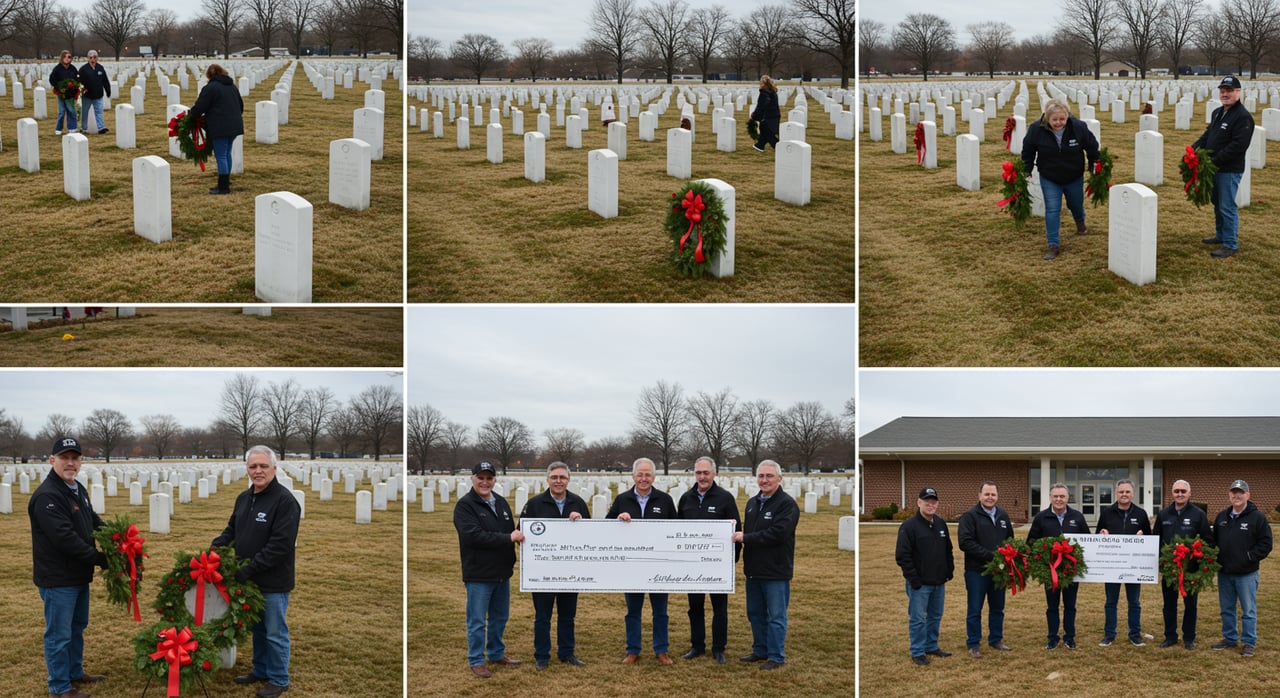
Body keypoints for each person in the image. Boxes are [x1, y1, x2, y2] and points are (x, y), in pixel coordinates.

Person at [211, 446, 300, 698]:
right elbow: (232, 529)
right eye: (253, 466)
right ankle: (260, 670)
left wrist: (249, 568)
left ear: (274, 468)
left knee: (275, 631)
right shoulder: (243, 498)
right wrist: (217, 546)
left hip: (272, 580)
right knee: (258, 630)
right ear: (247, 469)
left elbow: (280, 546)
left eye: (263, 466)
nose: (258, 471)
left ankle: (279, 679)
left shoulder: (285, 502)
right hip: (248, 579)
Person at [29, 437, 108, 698]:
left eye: (75, 458)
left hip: (77, 575)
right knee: (58, 635)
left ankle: (75, 672)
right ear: (52, 461)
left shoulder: (76, 488)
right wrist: (98, 558)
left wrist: (116, 537)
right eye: (65, 458)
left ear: (81, 462)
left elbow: (91, 519)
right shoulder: (48, 496)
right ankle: (60, 687)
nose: (70, 463)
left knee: (76, 627)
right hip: (58, 578)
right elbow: (64, 539)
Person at [453, 461, 524, 678]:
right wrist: (508, 538)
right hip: (479, 574)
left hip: (502, 572)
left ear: (495, 480)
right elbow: (472, 536)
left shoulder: (501, 502)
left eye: (489, 478)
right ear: (472, 478)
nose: (485, 482)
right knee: (476, 621)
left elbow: (511, 530)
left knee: (499, 617)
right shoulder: (465, 505)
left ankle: (496, 653)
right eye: (480, 478)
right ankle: (476, 660)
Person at [518, 462, 590, 671]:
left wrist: (581, 521)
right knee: (543, 616)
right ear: (547, 479)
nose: (558, 481)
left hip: (570, 570)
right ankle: (542, 655)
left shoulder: (578, 502)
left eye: (563, 478)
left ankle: (567, 652)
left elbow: (591, 535)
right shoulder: (534, 504)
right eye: (554, 477)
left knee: (567, 615)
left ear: (569, 480)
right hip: (543, 572)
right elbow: (520, 532)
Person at [607, 457, 677, 665]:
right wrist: (619, 520)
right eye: (640, 474)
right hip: (632, 566)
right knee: (633, 611)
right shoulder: (622, 499)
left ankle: (661, 650)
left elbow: (676, 529)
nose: (643, 478)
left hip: (658, 565)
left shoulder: (665, 500)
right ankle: (633, 650)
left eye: (647, 474)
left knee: (660, 612)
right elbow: (606, 527)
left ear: (654, 477)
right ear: (633, 476)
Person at [734, 460, 799, 670]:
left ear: (779, 478)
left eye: (769, 476)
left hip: (776, 571)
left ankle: (776, 656)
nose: (764, 480)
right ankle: (760, 650)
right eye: (761, 476)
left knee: (776, 616)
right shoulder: (752, 503)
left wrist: (746, 538)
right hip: (753, 569)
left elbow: (778, 534)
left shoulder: (787, 505)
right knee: (755, 614)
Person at [676, 456, 741, 664]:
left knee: (719, 608)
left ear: (714, 474)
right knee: (695, 606)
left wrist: (731, 562)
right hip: (692, 565)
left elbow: (736, 529)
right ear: (694, 474)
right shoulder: (686, 499)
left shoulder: (725, 498)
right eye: (698, 473)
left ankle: (719, 648)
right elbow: (676, 531)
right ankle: (697, 645)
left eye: (706, 473)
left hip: (717, 565)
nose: (702, 477)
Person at [1020, 98, 1100, 260]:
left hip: (1073, 175)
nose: (1058, 123)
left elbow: (1092, 146)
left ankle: (1080, 222)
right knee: (1052, 209)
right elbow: (1028, 150)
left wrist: (1094, 165)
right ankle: (1053, 244)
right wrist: (1026, 168)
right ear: (1047, 118)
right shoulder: (1036, 129)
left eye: (1062, 119)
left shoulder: (1078, 127)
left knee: (1076, 204)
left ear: (1067, 116)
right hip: (1050, 176)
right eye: (1054, 119)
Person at [1192, 75, 1255, 258]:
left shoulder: (1243, 117)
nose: (1225, 94)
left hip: (1228, 169)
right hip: (1213, 168)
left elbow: (1238, 146)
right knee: (1217, 203)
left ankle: (1230, 244)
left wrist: (1214, 161)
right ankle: (1220, 235)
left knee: (1227, 206)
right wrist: (1194, 148)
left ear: (1238, 92)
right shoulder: (1218, 112)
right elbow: (1208, 135)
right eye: (1222, 90)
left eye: (1229, 90)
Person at [1212, 479, 1272, 657]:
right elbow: (1214, 541)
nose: (1236, 495)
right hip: (1225, 573)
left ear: (1247, 495)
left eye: (1241, 492)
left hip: (1246, 573)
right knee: (1227, 608)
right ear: (1229, 494)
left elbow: (1266, 543)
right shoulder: (1222, 517)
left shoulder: (1257, 517)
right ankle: (1230, 638)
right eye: (1233, 492)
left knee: (1248, 610)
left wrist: (1249, 557)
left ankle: (1248, 642)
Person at [895, 486, 954, 666]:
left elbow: (948, 550)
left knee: (935, 616)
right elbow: (902, 556)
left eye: (933, 501)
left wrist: (948, 572)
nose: (930, 504)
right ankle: (918, 651)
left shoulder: (941, 524)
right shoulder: (909, 526)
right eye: (926, 501)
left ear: (937, 504)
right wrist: (914, 579)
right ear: (919, 502)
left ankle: (931, 645)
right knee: (918, 618)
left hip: (938, 582)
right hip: (920, 584)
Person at [1027, 483, 1088, 650]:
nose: (1059, 499)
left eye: (1062, 496)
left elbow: (1088, 542)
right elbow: (1031, 542)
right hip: (1050, 572)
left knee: (1070, 606)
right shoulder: (1041, 517)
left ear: (1068, 498)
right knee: (1052, 606)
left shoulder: (1077, 517)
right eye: (1056, 496)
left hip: (1071, 571)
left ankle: (1069, 637)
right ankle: (1052, 638)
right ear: (1050, 498)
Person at [957, 481, 1013, 658]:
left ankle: (996, 639)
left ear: (997, 496)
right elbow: (965, 542)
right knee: (975, 608)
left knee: (997, 607)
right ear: (979, 495)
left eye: (993, 494)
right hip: (976, 571)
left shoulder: (1003, 515)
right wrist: (991, 556)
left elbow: (1009, 540)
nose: (990, 497)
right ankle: (974, 643)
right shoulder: (970, 516)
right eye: (987, 494)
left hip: (998, 572)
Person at [1156, 479, 1214, 650]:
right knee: (1169, 605)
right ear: (1172, 493)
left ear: (1189, 493)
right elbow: (1157, 540)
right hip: (1170, 569)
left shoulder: (1198, 515)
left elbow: (1208, 541)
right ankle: (1170, 636)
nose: (1179, 494)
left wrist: (1199, 558)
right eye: (1176, 491)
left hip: (1191, 570)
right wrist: (1162, 563)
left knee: (1190, 605)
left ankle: (1189, 637)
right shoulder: (1163, 515)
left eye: (1183, 491)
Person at [1094, 479, 1152, 647]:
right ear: (1116, 493)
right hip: (1112, 566)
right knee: (1111, 601)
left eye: (1127, 492)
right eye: (1121, 492)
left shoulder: (1141, 514)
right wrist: (1102, 534)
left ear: (1132, 494)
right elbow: (1098, 535)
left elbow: (1149, 539)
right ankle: (1109, 634)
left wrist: (1144, 537)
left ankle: (1135, 634)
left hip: (1134, 567)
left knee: (1134, 601)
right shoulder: (1106, 513)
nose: (1124, 495)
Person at [185, 64, 244, 195]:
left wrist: (191, 116)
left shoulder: (210, 88)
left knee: (221, 155)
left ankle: (223, 187)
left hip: (220, 126)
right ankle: (226, 181)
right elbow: (240, 106)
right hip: (235, 124)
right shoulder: (232, 86)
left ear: (209, 75)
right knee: (227, 152)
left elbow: (200, 106)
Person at [77, 51, 110, 136]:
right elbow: (79, 82)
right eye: (91, 57)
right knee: (85, 112)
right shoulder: (83, 69)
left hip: (98, 94)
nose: (93, 59)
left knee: (99, 111)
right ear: (88, 58)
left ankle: (101, 128)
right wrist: (79, 93)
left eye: (94, 57)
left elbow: (105, 80)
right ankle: (84, 128)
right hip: (87, 95)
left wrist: (108, 90)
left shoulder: (100, 68)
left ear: (97, 58)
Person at [49, 50, 80, 135]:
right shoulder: (57, 69)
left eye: (69, 57)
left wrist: (74, 87)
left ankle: (72, 128)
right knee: (62, 111)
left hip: (70, 94)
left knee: (71, 110)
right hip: (61, 93)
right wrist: (59, 88)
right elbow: (52, 79)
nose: (67, 59)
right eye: (65, 57)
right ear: (62, 58)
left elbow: (77, 79)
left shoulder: (73, 69)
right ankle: (59, 129)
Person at [749, 75, 781, 152]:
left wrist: (754, 116)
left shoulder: (764, 93)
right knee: (764, 131)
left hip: (767, 117)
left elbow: (761, 107)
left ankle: (780, 148)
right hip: (775, 115)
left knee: (769, 134)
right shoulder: (773, 92)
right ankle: (760, 145)